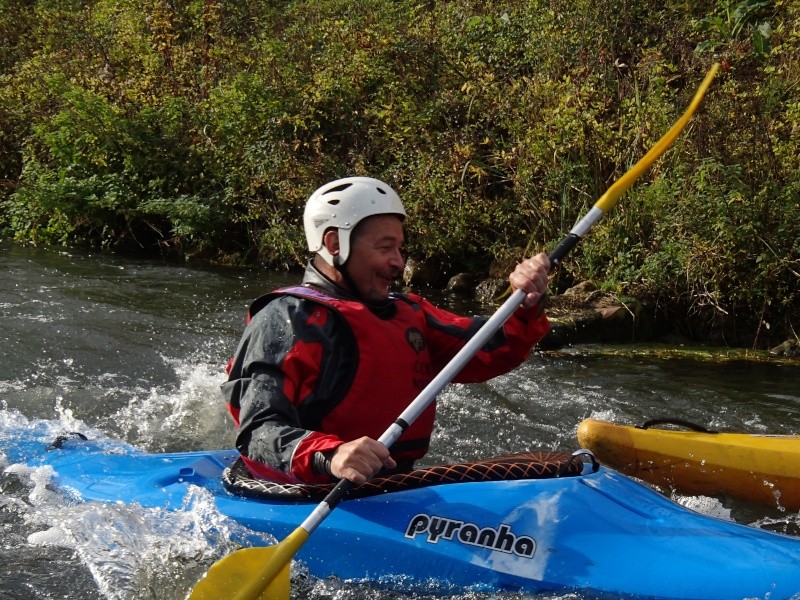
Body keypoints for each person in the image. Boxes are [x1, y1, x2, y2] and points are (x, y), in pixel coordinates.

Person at [222, 176, 551, 485]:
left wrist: (526, 304)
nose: (398, 262)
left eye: (399, 248)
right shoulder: (287, 320)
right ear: (334, 243)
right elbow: (257, 430)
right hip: (309, 492)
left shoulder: (409, 313)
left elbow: (492, 348)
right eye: (384, 248)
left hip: (393, 486)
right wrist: (331, 454)